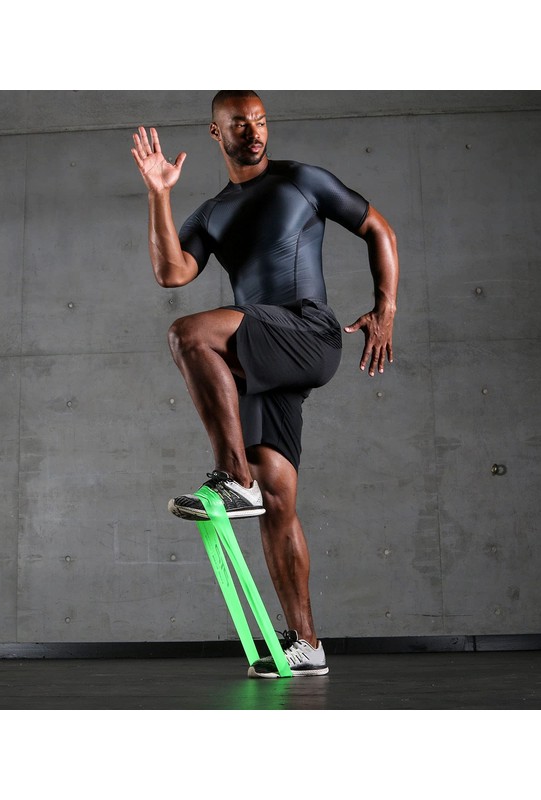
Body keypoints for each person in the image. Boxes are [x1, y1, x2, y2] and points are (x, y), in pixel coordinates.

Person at [131, 90, 398, 679]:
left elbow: (379, 229)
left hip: (307, 331)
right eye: (239, 124)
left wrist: (386, 308)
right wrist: (159, 194)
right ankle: (306, 644)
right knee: (278, 498)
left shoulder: (301, 181)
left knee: (189, 335)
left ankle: (233, 478)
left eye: (260, 121)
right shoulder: (211, 213)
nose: (253, 132)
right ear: (216, 133)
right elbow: (172, 272)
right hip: (264, 352)